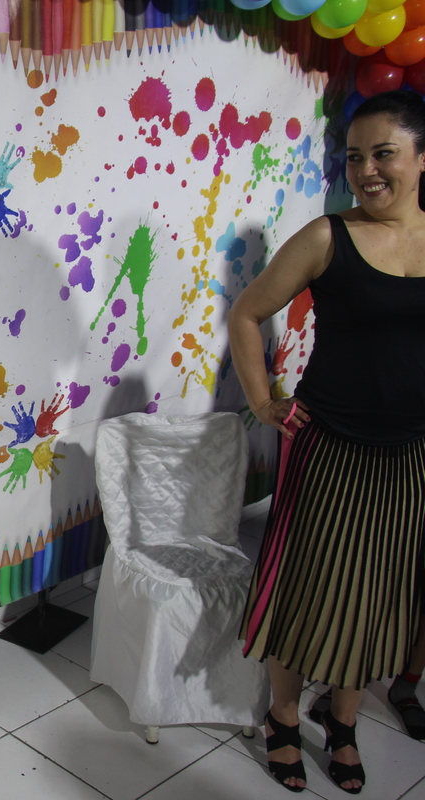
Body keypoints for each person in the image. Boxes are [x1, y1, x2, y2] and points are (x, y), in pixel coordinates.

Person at [228, 90, 425, 795]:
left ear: (420, 158)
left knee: (378, 596)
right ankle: (283, 716)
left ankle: (342, 722)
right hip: (328, 445)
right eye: (354, 157)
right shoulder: (327, 237)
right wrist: (263, 402)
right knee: (306, 591)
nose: (365, 170)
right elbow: (247, 313)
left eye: (383, 154)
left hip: (411, 453)